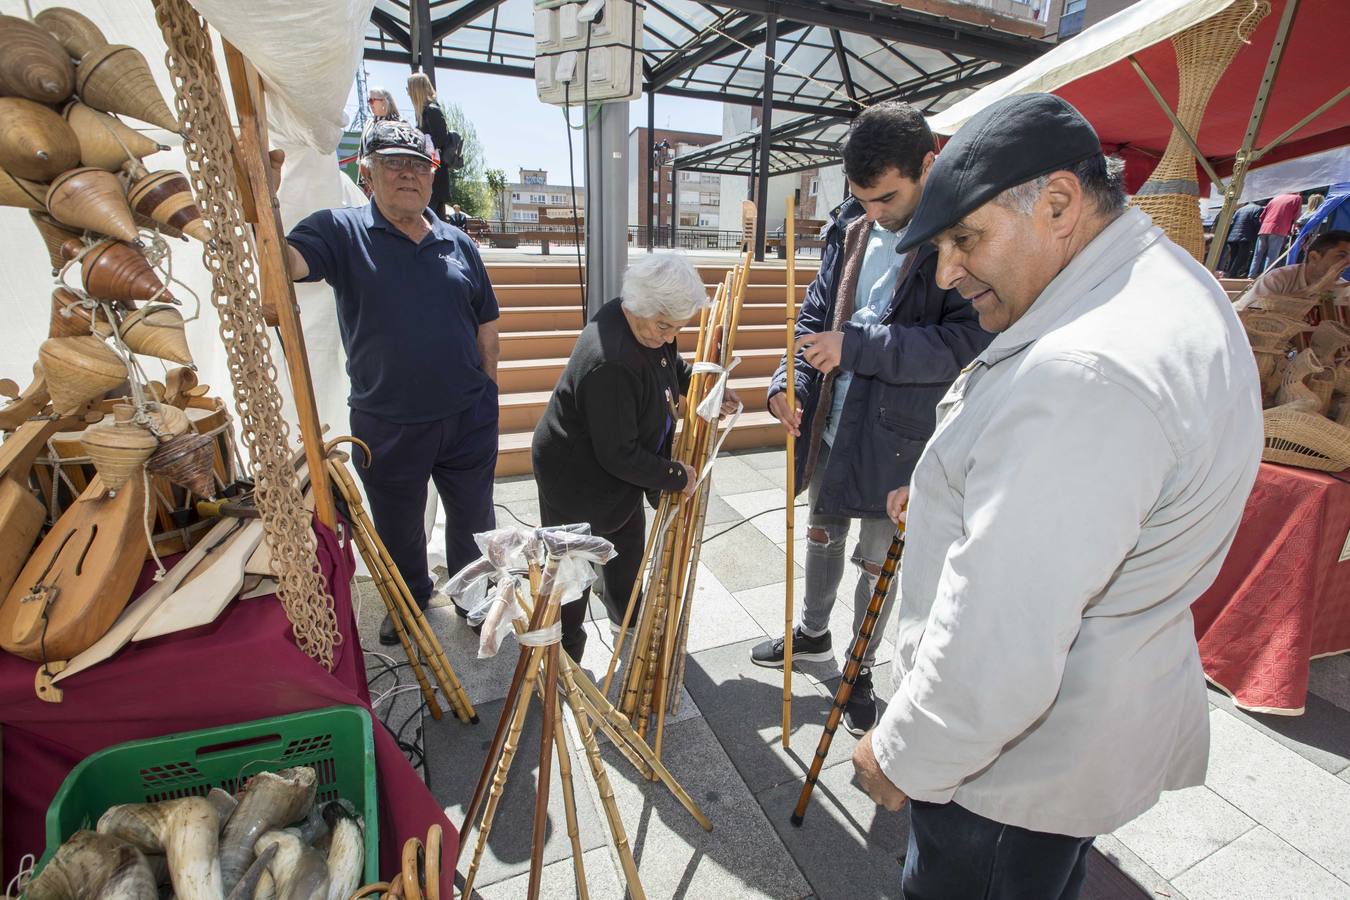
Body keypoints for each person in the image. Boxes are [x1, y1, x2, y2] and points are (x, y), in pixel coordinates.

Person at [852, 93, 1262, 899]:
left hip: (1010, 772)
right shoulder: (1161, 283)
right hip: (1076, 737)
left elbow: (1006, 628)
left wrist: (904, 750)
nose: (947, 272)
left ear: (1060, 203)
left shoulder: (1088, 370)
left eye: (965, 240)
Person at [748, 101, 990, 734]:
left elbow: (962, 344)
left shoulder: (960, 239)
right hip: (833, 421)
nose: (874, 213)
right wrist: (790, 380)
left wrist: (855, 347)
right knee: (822, 536)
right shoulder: (849, 227)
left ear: (927, 166)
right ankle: (813, 634)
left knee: (876, 562)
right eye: (863, 198)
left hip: (901, 436)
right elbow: (812, 318)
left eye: (886, 198)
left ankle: (858, 669)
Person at [281, 120, 501, 645]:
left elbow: (486, 326)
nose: (407, 174)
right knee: (398, 525)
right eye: (393, 164)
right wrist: (262, 205)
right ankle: (409, 601)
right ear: (368, 172)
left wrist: (487, 392)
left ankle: (474, 597)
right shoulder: (341, 230)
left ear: (432, 176)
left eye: (417, 166)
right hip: (389, 422)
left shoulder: (457, 243)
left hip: (466, 416)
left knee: (475, 517)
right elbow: (286, 264)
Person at [531, 255, 737, 663]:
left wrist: (705, 382)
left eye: (678, 327)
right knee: (574, 568)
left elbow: (668, 366)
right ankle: (565, 654)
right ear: (635, 306)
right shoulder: (611, 361)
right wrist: (675, 475)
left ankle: (627, 620)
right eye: (665, 326)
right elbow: (619, 454)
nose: (671, 335)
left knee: (626, 544)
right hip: (577, 476)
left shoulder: (649, 324)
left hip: (618, 471)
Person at [1241, 229, 1350, 310]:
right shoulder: (1279, 278)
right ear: (1314, 257)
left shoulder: (1344, 289)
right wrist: (1313, 290)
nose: (1347, 263)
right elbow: (1253, 310)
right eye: (1341, 256)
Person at [406, 73, 453, 221]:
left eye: (408, 88)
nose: (407, 92)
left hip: (434, 173)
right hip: (431, 173)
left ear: (416, 89)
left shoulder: (431, 111)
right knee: (433, 219)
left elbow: (440, 140)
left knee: (428, 218)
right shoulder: (427, 111)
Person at [1248, 191, 1303, 276]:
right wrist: (1292, 229)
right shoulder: (1297, 198)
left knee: (1258, 254)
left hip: (1264, 229)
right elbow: (1296, 216)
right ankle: (1265, 276)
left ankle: (1251, 275)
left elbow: (1262, 216)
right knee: (1272, 256)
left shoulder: (1276, 197)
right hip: (1279, 229)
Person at [1222, 198, 1262, 277]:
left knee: (1233, 256)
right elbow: (1256, 223)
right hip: (1245, 236)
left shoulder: (1240, 210)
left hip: (1233, 237)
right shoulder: (1258, 208)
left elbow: (1233, 221)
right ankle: (1233, 274)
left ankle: (1229, 273)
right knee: (1242, 256)